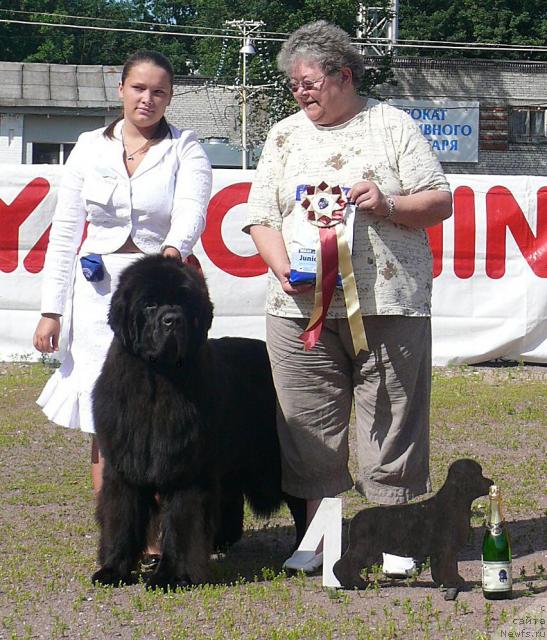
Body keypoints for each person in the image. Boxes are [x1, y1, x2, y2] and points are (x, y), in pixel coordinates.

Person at [244, 21, 452, 575]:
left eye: (309, 81)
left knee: (391, 420)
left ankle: (397, 539)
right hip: (297, 311)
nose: (300, 92)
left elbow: (439, 201)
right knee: (308, 423)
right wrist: (285, 268)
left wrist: (386, 203)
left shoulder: (393, 126)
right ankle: (319, 538)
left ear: (344, 74)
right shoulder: (283, 134)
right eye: (293, 84)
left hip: (387, 302)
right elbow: (260, 215)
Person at [33, 50, 213, 557]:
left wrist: (174, 257)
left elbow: (191, 212)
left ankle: (164, 536)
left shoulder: (186, 150)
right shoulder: (89, 148)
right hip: (96, 298)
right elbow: (65, 232)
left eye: (159, 91)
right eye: (138, 88)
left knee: (165, 414)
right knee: (108, 417)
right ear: (120, 89)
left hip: (156, 292)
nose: (147, 99)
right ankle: (121, 535)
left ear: (170, 96)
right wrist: (52, 310)